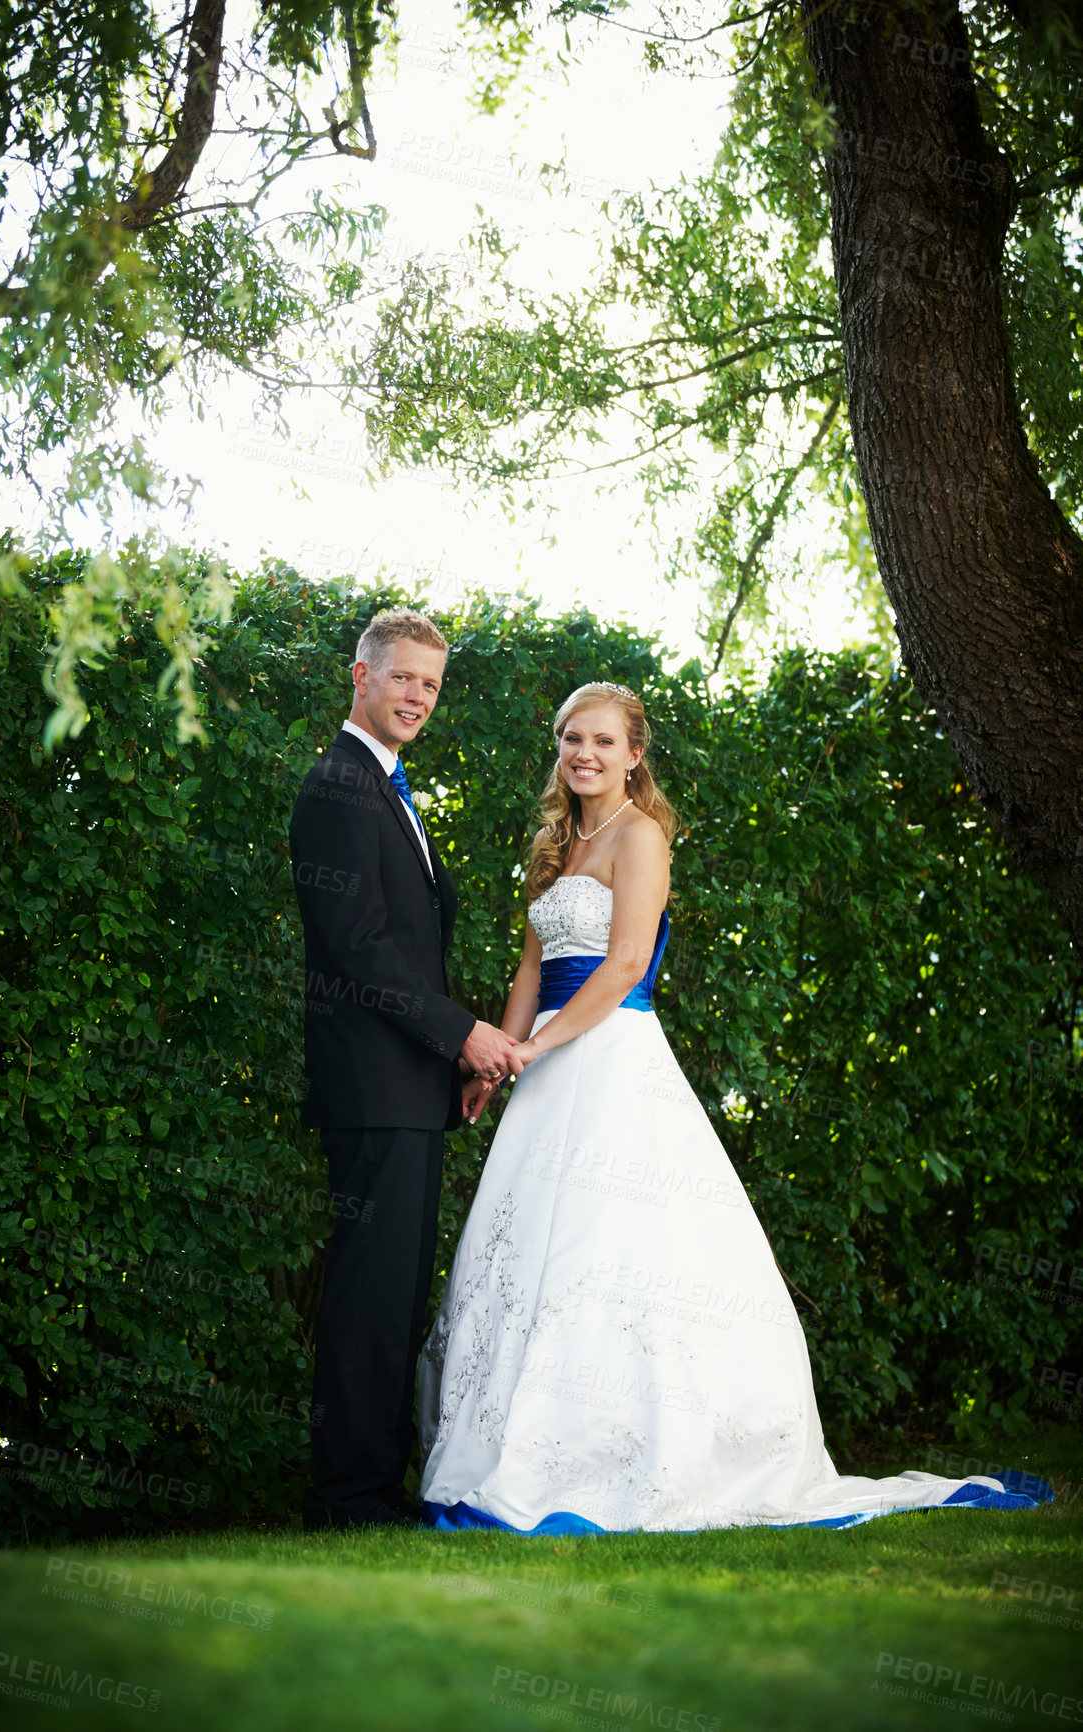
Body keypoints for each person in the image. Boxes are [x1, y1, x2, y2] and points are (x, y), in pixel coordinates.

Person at [417, 681, 1051, 1532]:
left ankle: (623, 1451)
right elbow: (532, 969)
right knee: (527, 1250)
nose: (585, 755)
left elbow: (624, 966)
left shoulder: (641, 837)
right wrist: (497, 1060)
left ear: (634, 755)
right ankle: (513, 1443)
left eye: (605, 742)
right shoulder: (556, 842)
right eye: (572, 739)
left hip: (610, 1058)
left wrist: (537, 1047)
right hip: (546, 1067)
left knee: (613, 1245)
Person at [288, 608, 528, 1531]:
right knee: (368, 1297)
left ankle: (373, 1488)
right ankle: (346, 1499)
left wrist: (449, 1062)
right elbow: (358, 949)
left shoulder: (387, 788)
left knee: (394, 1298)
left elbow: (410, 953)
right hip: (370, 1089)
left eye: (431, 682)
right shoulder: (337, 789)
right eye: (403, 678)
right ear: (361, 677)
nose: (418, 696)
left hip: (409, 1088)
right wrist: (464, 1035)